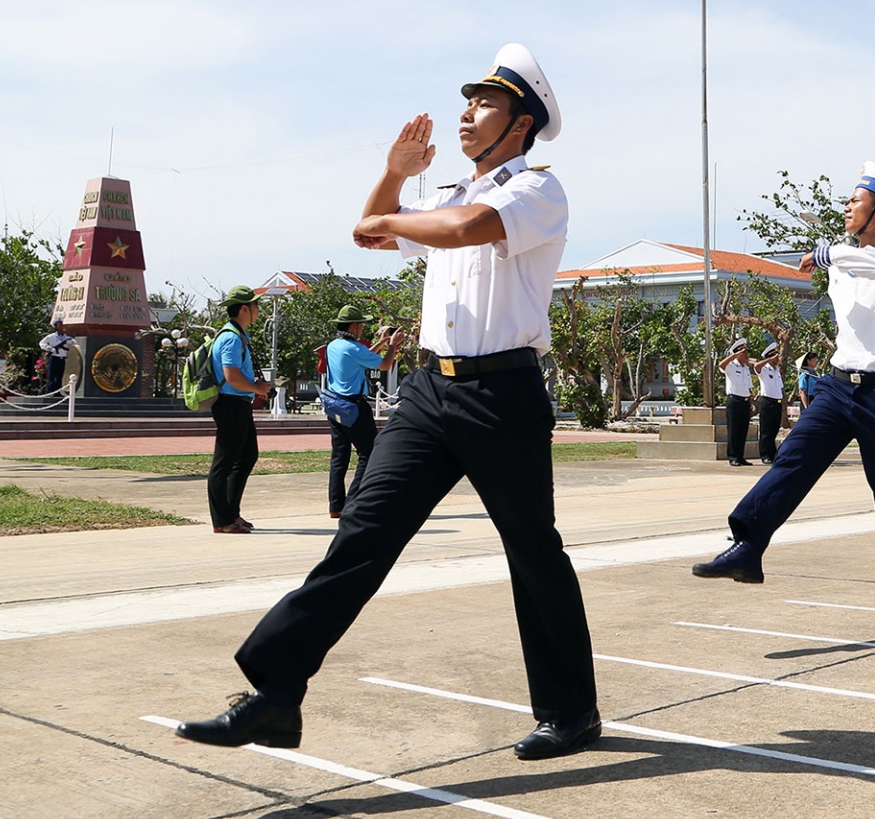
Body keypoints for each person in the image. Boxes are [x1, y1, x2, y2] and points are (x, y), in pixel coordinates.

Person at [175, 43, 600, 762]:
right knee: (363, 534)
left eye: (485, 104)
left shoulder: (536, 191)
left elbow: (463, 230)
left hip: (504, 392)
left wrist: (403, 215)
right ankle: (277, 692)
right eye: (467, 101)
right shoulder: (439, 198)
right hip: (431, 392)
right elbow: (368, 229)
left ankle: (571, 711)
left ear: (521, 121)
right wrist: (394, 178)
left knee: (532, 550)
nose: (467, 114)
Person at [692, 163, 875, 628]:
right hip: (839, 386)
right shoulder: (841, 255)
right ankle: (748, 545)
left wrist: (826, 256)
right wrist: (832, 255)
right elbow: (850, 263)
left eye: (854, 200)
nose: (845, 207)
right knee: (792, 460)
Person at [321, 304, 401, 519]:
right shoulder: (353, 348)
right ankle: (354, 501)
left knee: (340, 456)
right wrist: (393, 345)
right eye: (361, 325)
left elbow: (361, 358)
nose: (363, 329)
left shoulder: (334, 345)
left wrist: (382, 342)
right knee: (369, 453)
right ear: (354, 326)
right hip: (354, 407)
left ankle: (336, 505)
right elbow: (384, 365)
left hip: (335, 405)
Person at [208, 287, 274, 534]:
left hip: (239, 404)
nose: (258, 310)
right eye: (256, 306)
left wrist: (255, 387)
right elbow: (231, 376)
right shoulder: (231, 338)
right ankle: (222, 520)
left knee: (247, 456)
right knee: (223, 463)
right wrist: (256, 387)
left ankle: (231, 514)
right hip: (230, 404)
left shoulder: (238, 335)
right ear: (244, 308)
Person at [719, 338, 754, 466]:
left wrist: (751, 401)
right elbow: (721, 365)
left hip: (745, 401)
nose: (746, 355)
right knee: (733, 430)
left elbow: (748, 387)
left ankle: (740, 456)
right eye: (744, 352)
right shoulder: (731, 366)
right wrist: (733, 355)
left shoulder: (745, 368)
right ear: (738, 353)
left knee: (742, 430)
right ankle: (733, 457)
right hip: (734, 400)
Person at [753, 342, 785, 464]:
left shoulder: (776, 371)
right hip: (767, 402)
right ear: (771, 357)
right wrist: (769, 360)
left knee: (774, 430)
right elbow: (756, 367)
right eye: (776, 357)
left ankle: (772, 454)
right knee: (766, 430)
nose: (778, 359)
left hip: (777, 403)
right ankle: (765, 454)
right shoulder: (764, 370)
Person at [38, 319, 76, 394]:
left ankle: (58, 392)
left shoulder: (66, 337)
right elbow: (42, 343)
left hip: (62, 358)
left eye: (62, 325)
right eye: (59, 325)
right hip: (54, 357)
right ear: (56, 327)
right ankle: (51, 391)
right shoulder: (51, 336)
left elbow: (74, 342)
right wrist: (50, 348)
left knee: (59, 376)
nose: (61, 327)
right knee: (52, 375)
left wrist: (70, 342)